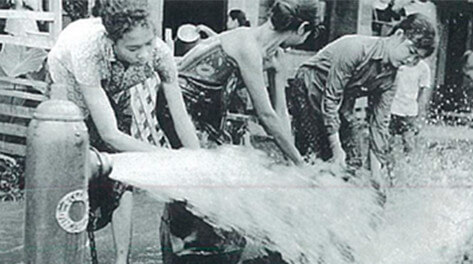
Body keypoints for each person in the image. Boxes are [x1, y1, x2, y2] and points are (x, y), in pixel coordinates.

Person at [158, 0, 322, 263]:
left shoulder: (266, 51)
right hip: (180, 105)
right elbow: (266, 116)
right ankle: (186, 248)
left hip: (208, 111)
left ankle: (206, 245)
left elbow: (278, 114)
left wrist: (279, 79)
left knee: (224, 175)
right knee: (207, 176)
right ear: (303, 27)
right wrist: (299, 162)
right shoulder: (248, 45)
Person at [47, 0, 199, 263]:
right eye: (133, 48)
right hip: (68, 88)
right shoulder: (89, 50)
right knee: (74, 173)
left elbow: (179, 114)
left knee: (122, 175)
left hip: (113, 91)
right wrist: (169, 157)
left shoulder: (159, 53)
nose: (144, 54)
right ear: (112, 42)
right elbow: (109, 134)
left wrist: (197, 160)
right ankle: (71, 252)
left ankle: (121, 260)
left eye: (148, 43)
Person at [285, 13, 436, 186]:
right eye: (411, 51)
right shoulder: (356, 48)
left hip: (340, 102)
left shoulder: (391, 79)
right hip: (309, 85)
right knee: (314, 153)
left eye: (417, 59)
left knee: (353, 162)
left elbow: (380, 124)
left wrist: (376, 173)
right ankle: (302, 193)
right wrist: (336, 147)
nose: (410, 60)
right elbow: (331, 97)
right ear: (398, 35)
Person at [389, 59, 431, 154]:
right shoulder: (399, 62)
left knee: (408, 142)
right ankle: (386, 166)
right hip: (392, 108)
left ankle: (408, 166)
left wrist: (420, 116)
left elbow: (422, 94)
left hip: (410, 111)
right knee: (388, 141)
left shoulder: (423, 68)